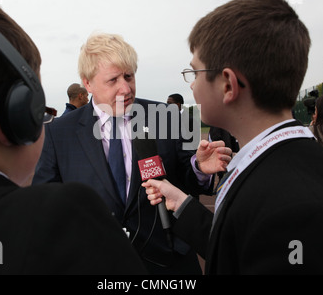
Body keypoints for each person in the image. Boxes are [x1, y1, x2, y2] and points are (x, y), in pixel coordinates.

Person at [143, 0, 323, 274]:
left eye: (195, 73)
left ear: (227, 84)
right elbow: (242, 247)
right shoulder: (284, 160)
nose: (191, 86)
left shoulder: (291, 199)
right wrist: (182, 203)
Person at [0, 0, 146, 274]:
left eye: (129, 76)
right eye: (40, 109)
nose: (125, 88)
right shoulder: (57, 216)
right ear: (14, 113)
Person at [33, 33, 231, 274]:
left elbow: (188, 181)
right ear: (88, 84)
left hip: (166, 263)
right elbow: (47, 204)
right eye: (113, 80)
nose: (125, 88)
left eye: (129, 76)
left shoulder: (167, 117)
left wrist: (199, 168)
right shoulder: (58, 133)